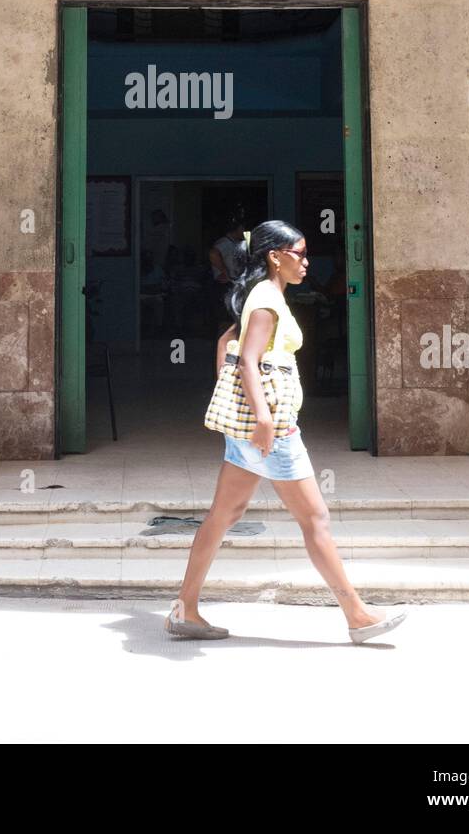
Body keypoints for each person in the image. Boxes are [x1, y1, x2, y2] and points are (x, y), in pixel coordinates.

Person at [164, 219, 408, 644]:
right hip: (273, 429)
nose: (307, 263)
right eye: (299, 254)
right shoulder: (265, 301)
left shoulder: (263, 295)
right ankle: (357, 614)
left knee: (224, 515)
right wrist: (261, 419)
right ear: (275, 257)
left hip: (254, 429)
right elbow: (249, 360)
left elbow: (227, 346)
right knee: (315, 518)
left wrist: (240, 409)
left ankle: (186, 608)